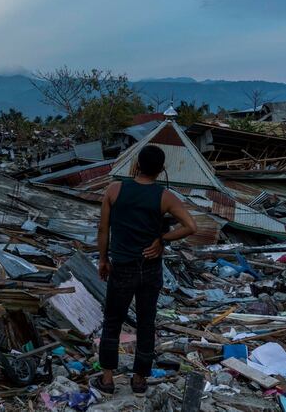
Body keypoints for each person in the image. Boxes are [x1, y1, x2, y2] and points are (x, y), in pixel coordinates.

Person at [91, 144, 197, 395]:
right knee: (146, 322)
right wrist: (162, 239)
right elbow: (190, 226)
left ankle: (107, 379)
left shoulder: (114, 190)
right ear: (161, 170)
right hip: (150, 269)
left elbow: (103, 230)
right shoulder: (165, 197)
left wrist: (103, 260)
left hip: (123, 266)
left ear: (137, 165)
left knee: (113, 320)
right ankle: (139, 380)